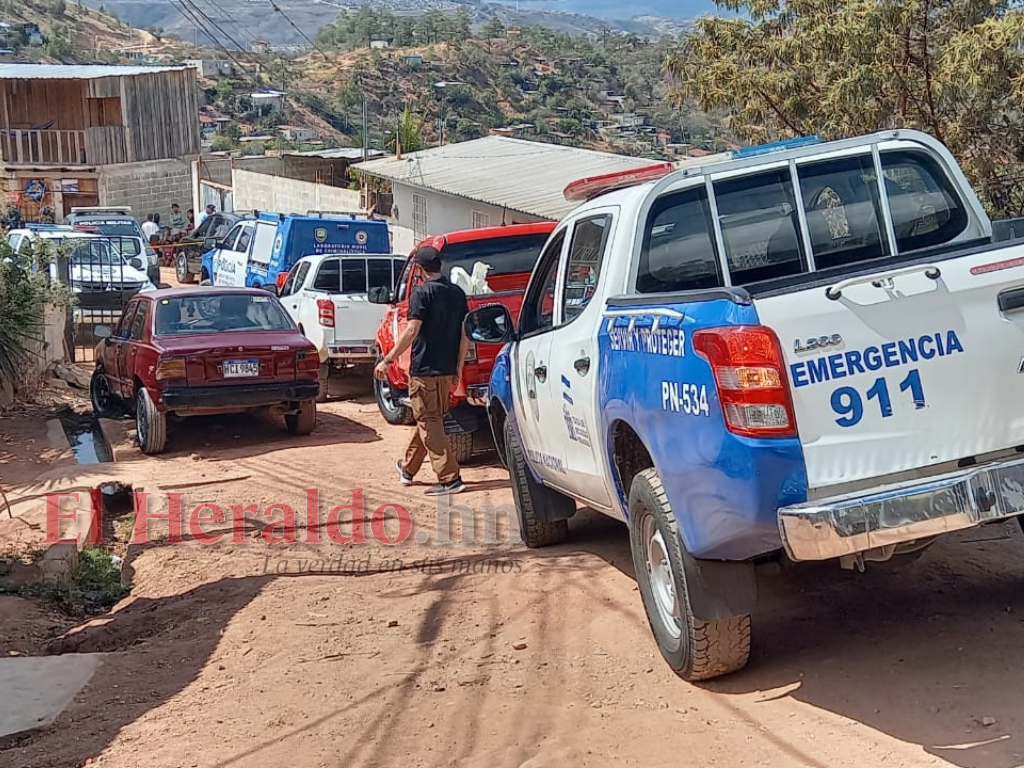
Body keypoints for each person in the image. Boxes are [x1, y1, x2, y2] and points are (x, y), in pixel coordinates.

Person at [376, 246, 470, 496]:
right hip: (446, 370)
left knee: (428, 420)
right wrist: (458, 367)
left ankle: (450, 479)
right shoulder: (457, 294)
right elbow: (465, 335)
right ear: (440, 265)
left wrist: (388, 359)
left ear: (418, 268)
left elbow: (412, 330)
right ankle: (408, 468)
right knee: (431, 419)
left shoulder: (421, 293)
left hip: (425, 369)